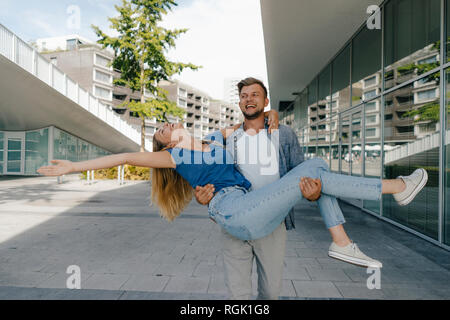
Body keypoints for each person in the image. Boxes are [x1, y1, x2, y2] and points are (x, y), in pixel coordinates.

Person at [37, 120, 428, 271]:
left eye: (164, 123)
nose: (164, 126)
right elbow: (123, 156)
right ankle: (396, 189)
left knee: (317, 170)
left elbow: (250, 121)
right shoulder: (171, 157)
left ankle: (342, 242)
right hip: (231, 210)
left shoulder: (213, 138)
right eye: (159, 130)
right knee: (313, 169)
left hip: (251, 205)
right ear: (163, 143)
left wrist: (271, 119)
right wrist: (73, 167)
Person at [194, 77, 307, 300]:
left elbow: (299, 172)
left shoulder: (283, 134)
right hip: (235, 222)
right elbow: (208, 172)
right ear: (239, 104)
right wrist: (202, 196)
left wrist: (310, 193)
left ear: (265, 101)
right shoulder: (228, 139)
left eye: (255, 95)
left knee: (271, 293)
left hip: (273, 222)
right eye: (244, 96)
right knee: (238, 295)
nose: (249, 99)